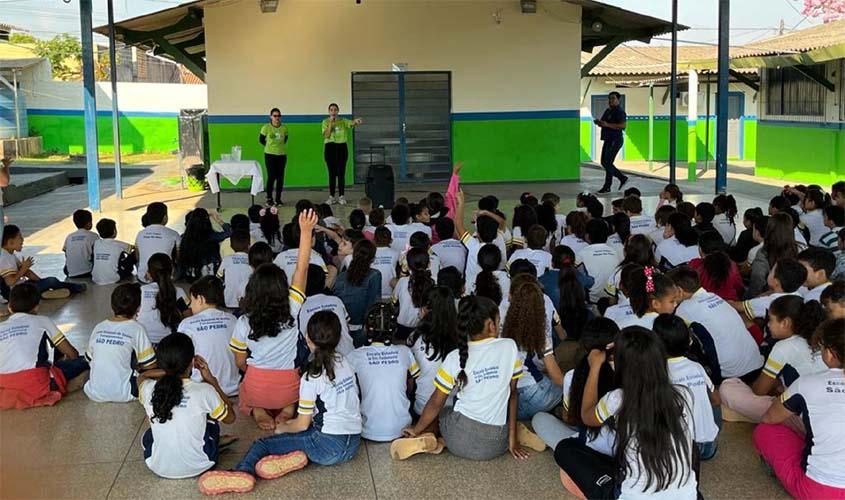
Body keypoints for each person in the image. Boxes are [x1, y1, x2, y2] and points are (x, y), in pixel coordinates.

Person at [198, 310, 361, 495]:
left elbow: (301, 424)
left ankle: (242, 472)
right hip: (352, 444)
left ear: (307, 338)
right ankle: (295, 457)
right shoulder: (346, 362)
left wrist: (282, 428)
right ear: (338, 337)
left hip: (327, 445)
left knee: (263, 444)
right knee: (300, 437)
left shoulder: (312, 376)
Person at [555, 327, 697, 500]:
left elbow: (586, 415)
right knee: (689, 446)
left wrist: (595, 366)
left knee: (565, 449)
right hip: (688, 496)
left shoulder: (618, 399)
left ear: (624, 366)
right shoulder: (683, 394)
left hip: (631, 496)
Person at [392, 296, 530, 461]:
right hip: (497, 444)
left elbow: (436, 402)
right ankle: (517, 432)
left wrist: (416, 428)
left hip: (459, 441)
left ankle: (432, 438)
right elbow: (513, 394)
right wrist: (512, 439)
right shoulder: (509, 346)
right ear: (491, 325)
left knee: (443, 412)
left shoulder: (454, 357)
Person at [229, 210, 317, 430]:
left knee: (246, 389)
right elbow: (302, 268)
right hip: (288, 387)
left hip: (256, 387)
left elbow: (240, 363)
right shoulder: (292, 308)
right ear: (282, 288)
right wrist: (306, 232)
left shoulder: (243, 322)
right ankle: (288, 409)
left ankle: (258, 411)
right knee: (299, 378)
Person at [755, 318, 845, 499]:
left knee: (765, 430)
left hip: (821, 490)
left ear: (829, 353)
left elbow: (769, 417)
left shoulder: (807, 383)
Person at [138, 332, 236, 479]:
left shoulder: (148, 389)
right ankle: (213, 442)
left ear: (162, 363)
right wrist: (211, 380)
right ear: (192, 362)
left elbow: (142, 376)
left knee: (149, 435)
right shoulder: (205, 391)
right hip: (202, 465)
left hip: (158, 467)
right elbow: (230, 418)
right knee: (211, 420)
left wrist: (168, 370)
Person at [720, 295, 826, 426]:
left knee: (728, 388)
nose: (768, 325)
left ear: (785, 323)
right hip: (827, 414)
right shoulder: (821, 341)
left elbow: (759, 391)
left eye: (770, 320)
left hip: (805, 421)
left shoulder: (784, 347)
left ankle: (770, 419)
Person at [531, 318, 618, 453]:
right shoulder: (627, 373)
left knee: (539, 419)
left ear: (583, 346)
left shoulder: (572, 376)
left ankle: (576, 454)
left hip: (588, 442)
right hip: (621, 447)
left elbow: (569, 419)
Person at [0, 283, 88, 409]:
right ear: (36, 308)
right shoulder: (42, 320)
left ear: (9, 307)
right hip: (37, 384)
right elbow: (72, 353)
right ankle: (67, 382)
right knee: (84, 361)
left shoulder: (1, 327)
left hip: (4, 386)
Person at [670, 266, 764, 384]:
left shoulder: (684, 309)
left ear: (679, 290)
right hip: (757, 364)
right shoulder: (714, 297)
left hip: (732, 376)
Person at [347, 302, 420, 442]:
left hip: (367, 430)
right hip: (403, 428)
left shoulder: (354, 356)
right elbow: (411, 387)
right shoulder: (405, 352)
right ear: (394, 329)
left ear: (366, 328)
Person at [653, 314, 721, 460]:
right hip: (707, 446)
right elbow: (716, 400)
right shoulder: (697, 367)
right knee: (711, 396)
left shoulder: (659, 372)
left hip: (680, 449)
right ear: (688, 341)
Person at [502, 275, 563, 420]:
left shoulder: (498, 319)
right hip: (532, 392)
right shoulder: (537, 329)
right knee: (563, 389)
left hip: (504, 393)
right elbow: (556, 376)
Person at [84, 283, 156, 402]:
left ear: (112, 305)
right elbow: (150, 365)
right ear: (138, 308)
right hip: (126, 392)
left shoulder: (99, 327)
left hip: (94, 392)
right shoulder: (137, 328)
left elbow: (89, 358)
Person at [177, 276, 240, 397]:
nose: (190, 306)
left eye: (192, 301)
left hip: (202, 391)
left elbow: (181, 360)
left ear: (200, 299)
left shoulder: (186, 324)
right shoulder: (233, 320)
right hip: (233, 390)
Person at [408, 286, 458, 416]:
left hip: (422, 409)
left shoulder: (415, 338)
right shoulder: (462, 339)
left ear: (424, 310)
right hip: (452, 409)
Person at [1, 224, 86, 300]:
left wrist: (41, 282)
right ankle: (75, 288)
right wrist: (24, 268)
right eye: (20, 237)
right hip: (16, 294)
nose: (22, 240)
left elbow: (27, 272)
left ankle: (44, 293)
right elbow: (10, 282)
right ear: (10, 242)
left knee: (48, 282)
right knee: (52, 281)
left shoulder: (10, 254)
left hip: (22, 286)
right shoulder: (4, 257)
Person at [297, 264, 354, 356]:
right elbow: (347, 328)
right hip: (348, 354)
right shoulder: (336, 300)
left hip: (316, 360)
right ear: (324, 283)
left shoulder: (299, 307)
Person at [333, 240, 381, 347]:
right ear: (372, 258)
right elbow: (373, 304)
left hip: (341, 328)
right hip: (361, 328)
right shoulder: (375, 275)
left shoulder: (341, 276)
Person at [137, 253, 190, 344]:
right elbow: (188, 317)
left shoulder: (141, 291)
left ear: (149, 274)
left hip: (144, 342)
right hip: (170, 344)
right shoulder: (179, 292)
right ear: (172, 271)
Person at [322, 103, 362, 205]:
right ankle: (331, 197)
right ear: (329, 111)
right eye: (331, 110)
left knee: (341, 173)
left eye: (335, 110)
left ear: (338, 111)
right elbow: (326, 135)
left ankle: (341, 196)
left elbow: (351, 123)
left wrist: (356, 122)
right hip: (330, 148)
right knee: (331, 174)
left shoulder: (343, 121)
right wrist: (331, 123)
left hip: (342, 148)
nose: (333, 112)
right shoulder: (325, 122)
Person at [689, 230, 745, 301]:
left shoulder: (695, 264)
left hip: (704, 306)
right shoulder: (731, 265)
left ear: (700, 249)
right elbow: (739, 289)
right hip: (730, 306)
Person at [392, 247, 435, 340]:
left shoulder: (402, 282)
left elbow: (394, 302)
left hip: (401, 328)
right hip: (422, 328)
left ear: (407, 264)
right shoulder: (432, 284)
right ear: (429, 264)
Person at [575, 219, 622, 303]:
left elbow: (571, 272)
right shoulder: (613, 252)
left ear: (587, 236)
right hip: (612, 299)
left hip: (593, 300)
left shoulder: (582, 253)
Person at [178, 208, 232, 282]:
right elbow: (230, 232)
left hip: (190, 274)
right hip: (209, 275)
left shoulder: (184, 237)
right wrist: (218, 220)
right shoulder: (210, 236)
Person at [135, 202, 180, 282]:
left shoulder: (140, 234)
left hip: (143, 277)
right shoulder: (173, 234)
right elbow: (179, 257)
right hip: (167, 278)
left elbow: (137, 257)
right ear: (165, 218)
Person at [594, 91, 629, 193]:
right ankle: (618, 180)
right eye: (609, 98)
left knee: (608, 163)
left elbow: (623, 126)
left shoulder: (620, 112)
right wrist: (599, 123)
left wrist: (607, 125)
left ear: (618, 100)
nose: (610, 101)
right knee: (604, 162)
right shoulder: (608, 111)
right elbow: (603, 122)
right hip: (608, 139)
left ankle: (611, 184)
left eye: (613, 98)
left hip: (615, 140)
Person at [92, 218, 135, 285]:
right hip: (113, 278)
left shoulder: (96, 243)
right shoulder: (119, 244)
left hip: (95, 278)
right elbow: (132, 248)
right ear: (114, 231)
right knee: (132, 255)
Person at [259, 108, 289, 206]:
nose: (277, 118)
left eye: (278, 116)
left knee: (280, 178)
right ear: (271, 117)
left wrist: (278, 148)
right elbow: (261, 140)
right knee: (271, 176)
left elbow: (285, 140)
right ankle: (269, 198)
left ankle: (278, 199)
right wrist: (270, 147)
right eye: (275, 116)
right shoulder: (266, 127)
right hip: (269, 155)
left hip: (281, 155)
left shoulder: (284, 128)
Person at [217, 231, 252, 309]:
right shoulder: (252, 260)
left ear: (231, 246)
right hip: (248, 302)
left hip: (229, 301)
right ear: (249, 244)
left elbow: (218, 277)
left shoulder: (226, 259)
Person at [62, 209, 99, 278]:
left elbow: (66, 253)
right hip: (87, 271)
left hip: (70, 272)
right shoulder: (94, 236)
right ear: (89, 223)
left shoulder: (69, 236)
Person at [371, 227, 399, 298]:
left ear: (374, 240)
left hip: (372, 293)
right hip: (391, 293)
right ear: (391, 240)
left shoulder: (370, 253)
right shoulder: (396, 253)